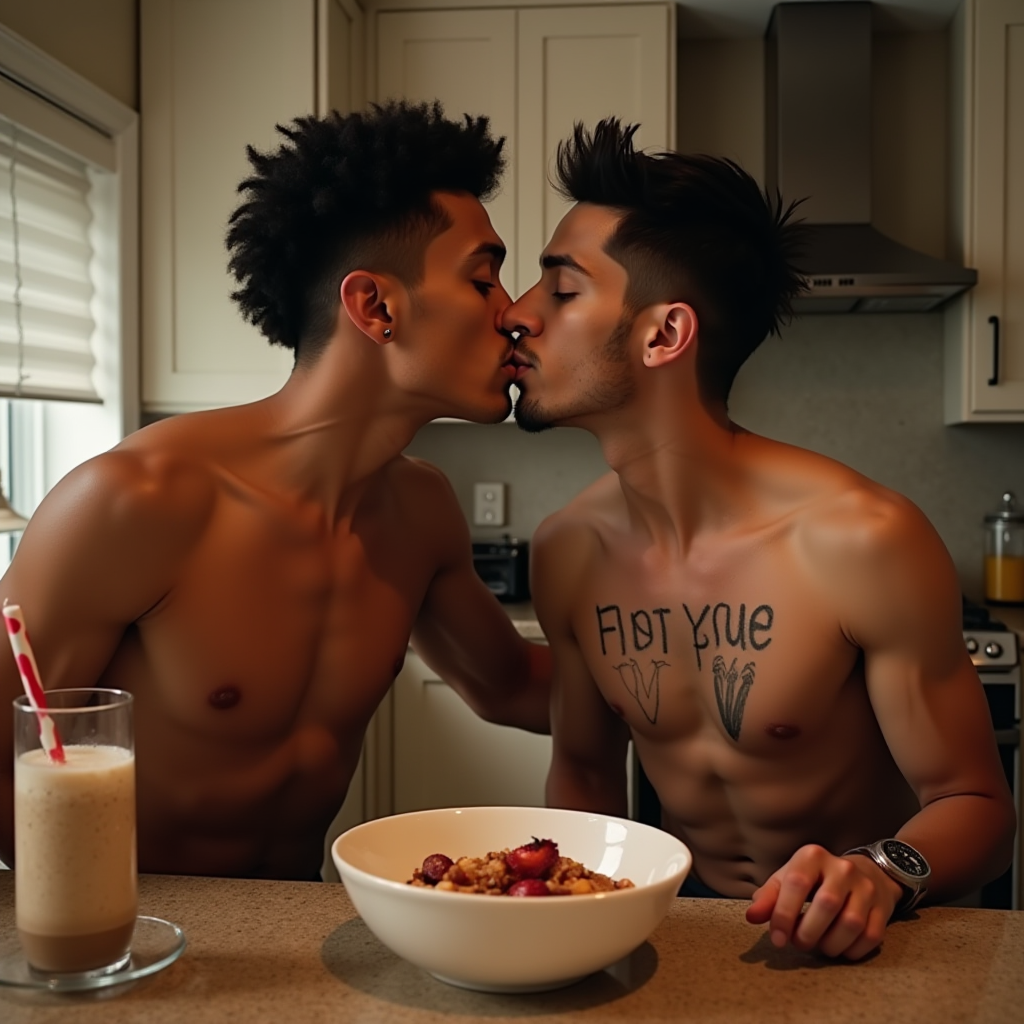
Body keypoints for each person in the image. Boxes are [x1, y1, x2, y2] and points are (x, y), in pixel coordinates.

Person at [503, 119, 1015, 960]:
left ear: (664, 335)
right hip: (685, 932)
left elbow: (980, 809)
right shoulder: (568, 551)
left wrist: (883, 870)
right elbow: (587, 777)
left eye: (560, 290)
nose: (518, 316)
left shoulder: (858, 538)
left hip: (866, 936)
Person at [0, 101, 551, 880]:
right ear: (376, 306)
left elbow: (514, 687)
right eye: (484, 279)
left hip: (298, 939)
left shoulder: (419, 514)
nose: (517, 315)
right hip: (127, 949)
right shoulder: (138, 499)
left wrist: (718, 692)